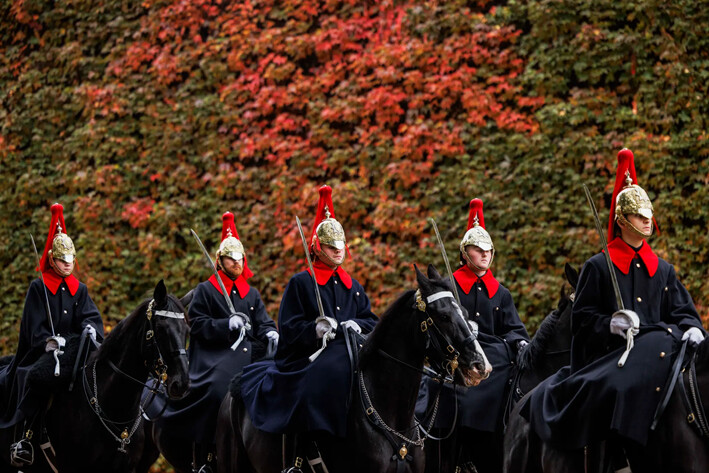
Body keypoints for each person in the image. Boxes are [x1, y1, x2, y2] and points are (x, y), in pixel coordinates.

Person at [520, 148, 706, 463]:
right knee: (622, 385)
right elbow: (581, 320)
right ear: (621, 219)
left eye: (649, 215)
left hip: (661, 348)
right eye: (638, 215)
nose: (647, 221)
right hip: (611, 355)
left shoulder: (663, 269)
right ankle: (610, 461)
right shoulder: (598, 266)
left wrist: (693, 328)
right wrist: (610, 324)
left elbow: (683, 312)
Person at [240, 185, 379, 469]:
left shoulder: (354, 287)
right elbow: (288, 328)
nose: (338, 252)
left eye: (340, 246)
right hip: (308, 357)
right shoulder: (301, 283)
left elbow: (371, 320)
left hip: (351, 354)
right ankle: (302, 451)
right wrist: (315, 331)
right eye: (331, 247)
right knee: (316, 382)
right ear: (317, 246)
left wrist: (354, 323)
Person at [159, 211, 278, 473]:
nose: (236, 263)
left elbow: (264, 322)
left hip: (251, 355)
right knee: (216, 391)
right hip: (215, 355)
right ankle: (206, 456)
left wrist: (271, 332)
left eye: (239, 258)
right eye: (230, 258)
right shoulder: (206, 289)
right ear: (220, 261)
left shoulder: (252, 293)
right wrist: (226, 325)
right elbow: (198, 325)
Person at [417, 198, 530, 473]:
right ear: (464, 253)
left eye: (488, 250)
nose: (484, 254)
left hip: (491, 359)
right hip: (456, 359)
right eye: (477, 250)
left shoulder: (501, 292)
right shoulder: (449, 287)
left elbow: (514, 329)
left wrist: (521, 342)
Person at [0, 203, 104, 467]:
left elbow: (90, 316)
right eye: (62, 260)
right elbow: (32, 326)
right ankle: (25, 438)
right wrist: (48, 340)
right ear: (51, 259)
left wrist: (91, 328)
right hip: (42, 352)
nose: (68, 265)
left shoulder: (79, 289)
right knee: (37, 377)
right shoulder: (39, 288)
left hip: (73, 352)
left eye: (71, 260)